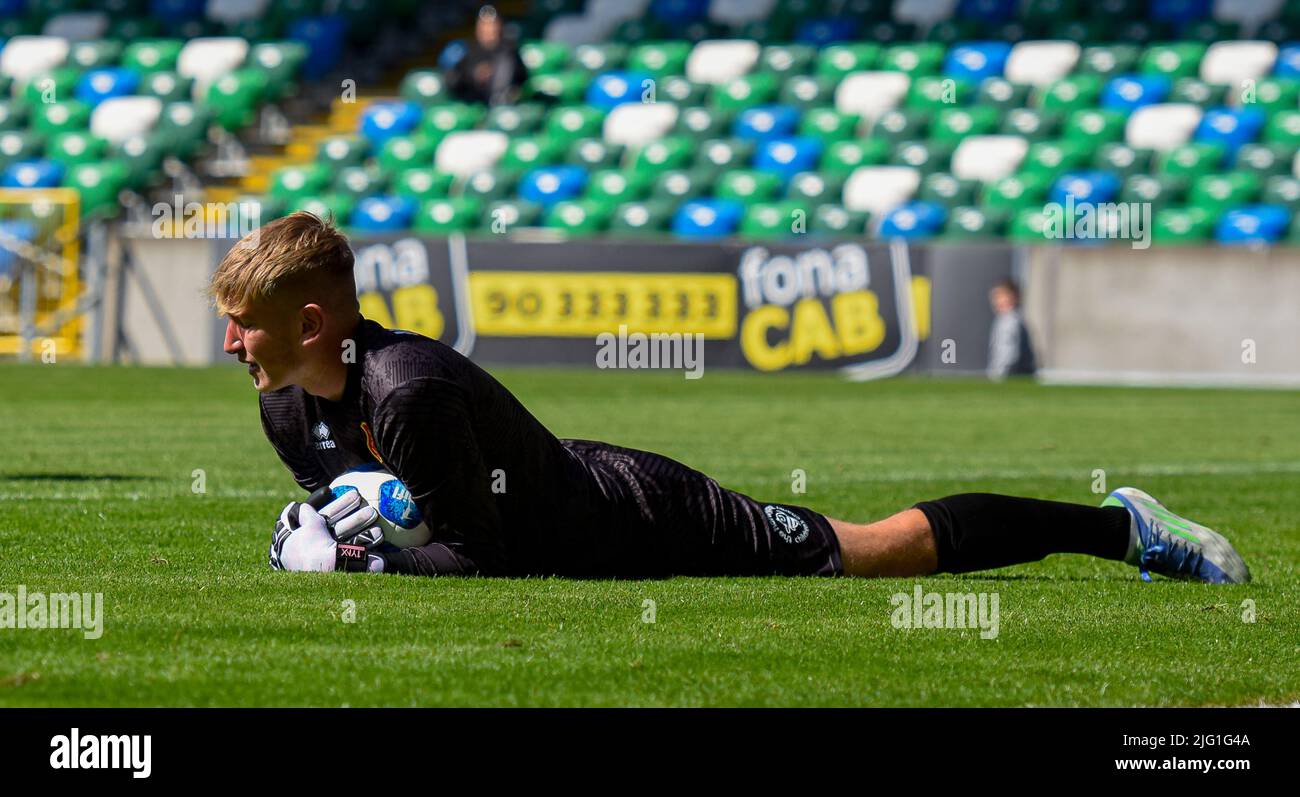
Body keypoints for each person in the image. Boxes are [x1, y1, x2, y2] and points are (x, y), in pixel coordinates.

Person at [211, 213, 1251, 584]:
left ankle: (1120, 529)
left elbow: (487, 557)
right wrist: (341, 534)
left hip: (637, 517)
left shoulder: (409, 389)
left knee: (877, 549)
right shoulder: (281, 406)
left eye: (245, 323)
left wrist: (363, 563)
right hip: (570, 515)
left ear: (312, 327)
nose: (228, 343)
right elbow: (405, 517)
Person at [445, 5, 528, 107]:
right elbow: (455, 81)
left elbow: (522, 79)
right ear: (478, 28)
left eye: (492, 25)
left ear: (499, 26)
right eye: (484, 25)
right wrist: (474, 76)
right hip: (474, 105)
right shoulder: (467, 51)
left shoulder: (509, 52)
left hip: (503, 105)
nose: (488, 29)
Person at [987, 279, 1037, 380]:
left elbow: (1009, 354)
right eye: (996, 297)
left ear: (1014, 297)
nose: (997, 300)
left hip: (1012, 375)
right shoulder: (1009, 319)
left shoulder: (1010, 321)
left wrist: (999, 373)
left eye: (1002, 296)